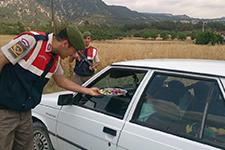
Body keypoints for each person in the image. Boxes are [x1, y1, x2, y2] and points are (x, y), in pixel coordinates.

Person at [0, 25, 100, 150]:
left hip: (25, 113)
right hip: (4, 112)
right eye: (73, 51)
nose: (73, 55)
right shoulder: (31, 41)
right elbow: (1, 59)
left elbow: (61, 80)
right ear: (65, 44)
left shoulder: (55, 59)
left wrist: (87, 90)